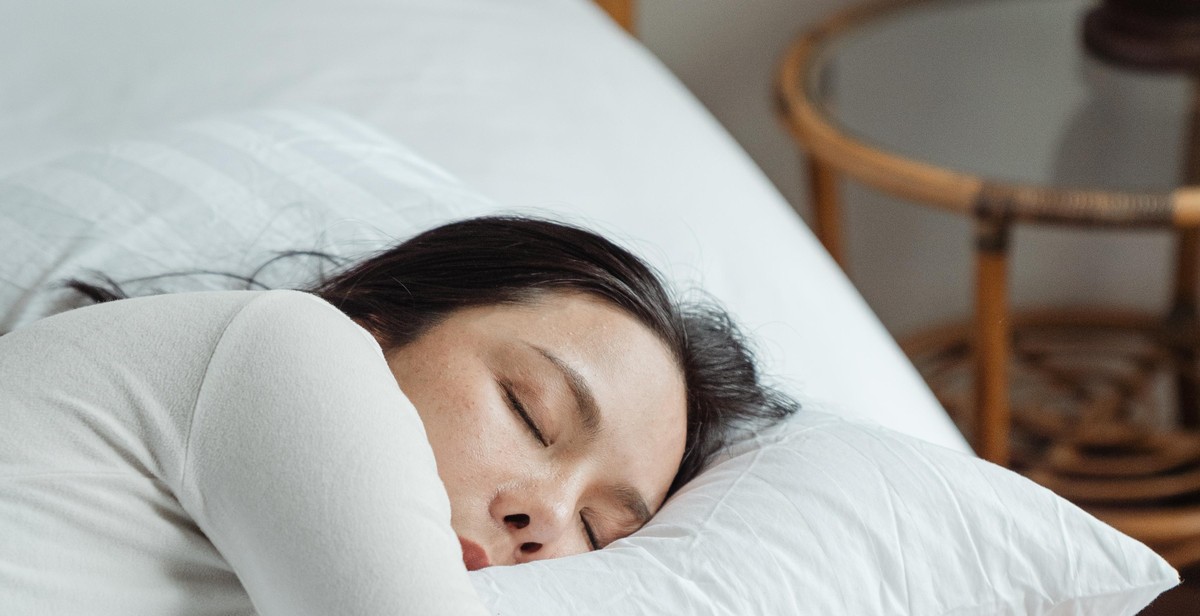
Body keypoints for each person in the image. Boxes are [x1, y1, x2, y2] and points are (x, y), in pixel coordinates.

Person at [0, 216, 796, 615]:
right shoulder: (296, 346)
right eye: (527, 412)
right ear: (379, 317)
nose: (543, 518)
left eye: (597, 531)